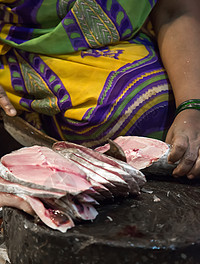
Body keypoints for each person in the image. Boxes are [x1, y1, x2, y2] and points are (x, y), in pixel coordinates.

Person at [0, 0, 200, 179]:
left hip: (127, 37)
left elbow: (175, 9)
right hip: (23, 46)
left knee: (165, 106)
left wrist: (192, 106)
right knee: (133, 111)